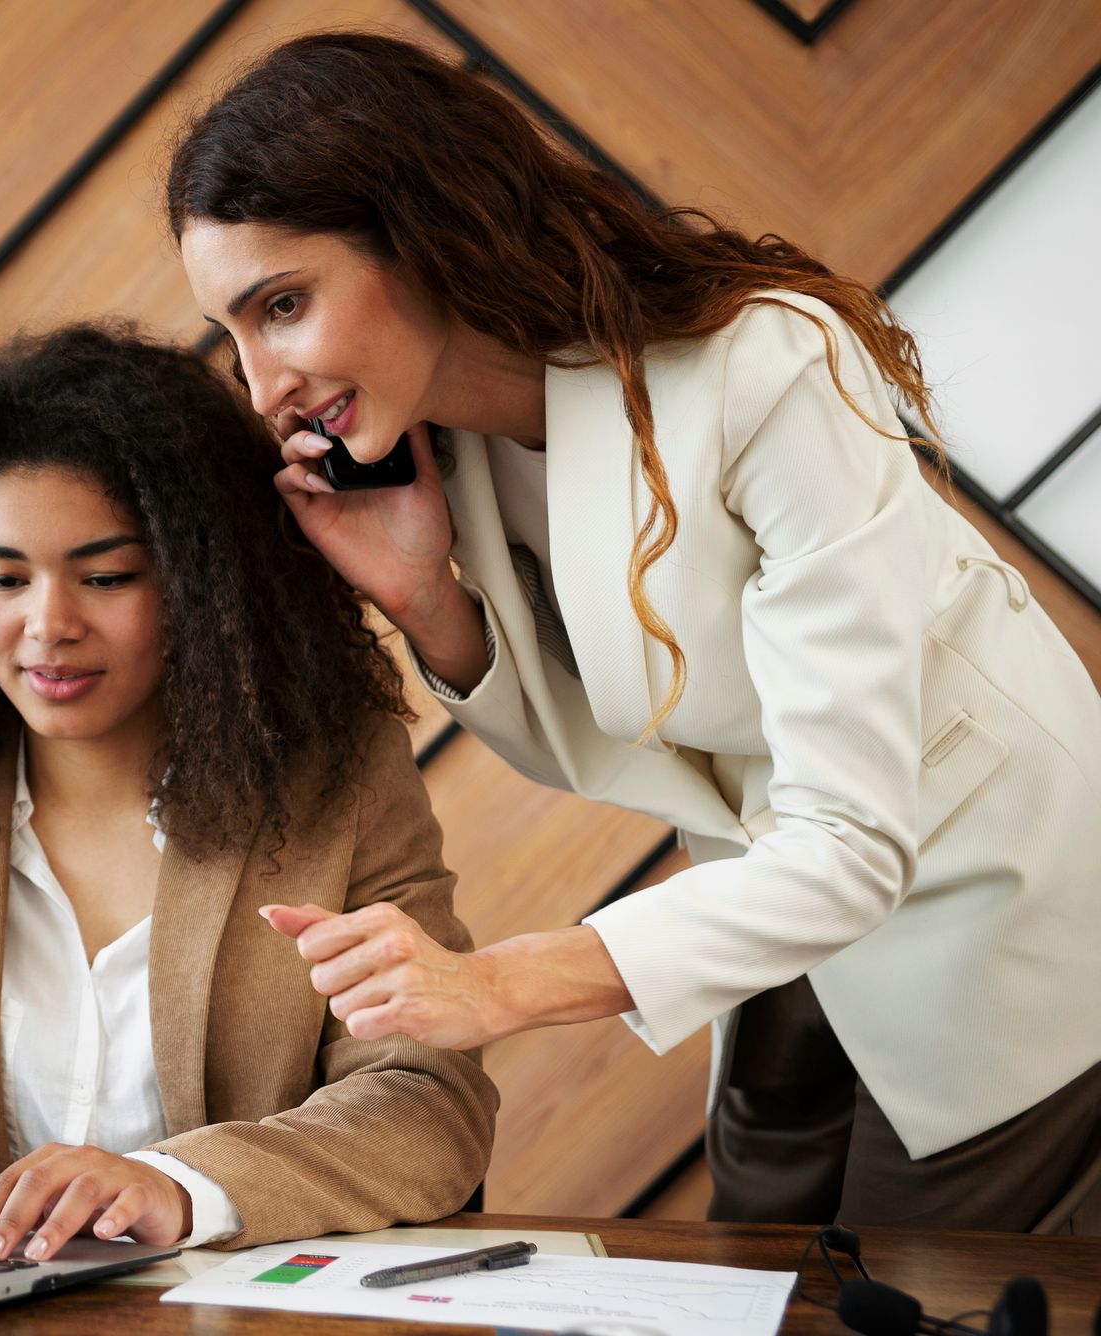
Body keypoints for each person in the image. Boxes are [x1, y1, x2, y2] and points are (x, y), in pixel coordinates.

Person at [166, 31, 1101, 1232]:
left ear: (419, 228)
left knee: (916, 1281)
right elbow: (627, 744)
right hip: (779, 923)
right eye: (232, 333)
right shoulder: (462, 448)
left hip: (985, 898)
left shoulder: (765, 369)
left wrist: (493, 983)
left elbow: (855, 841)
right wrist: (427, 600)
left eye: (281, 307)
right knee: (755, 1260)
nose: (263, 384)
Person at [0, 323, 497, 1260]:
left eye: (106, 576)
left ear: (202, 580)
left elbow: (428, 1100)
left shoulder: (338, 784)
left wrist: (180, 1184)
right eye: (1, 578)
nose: (47, 626)